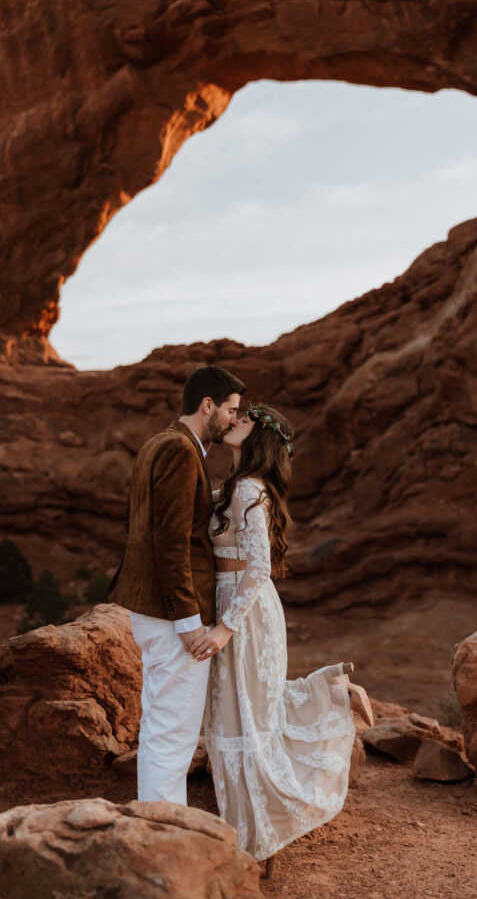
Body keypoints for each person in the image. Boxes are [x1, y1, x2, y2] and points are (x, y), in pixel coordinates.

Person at [190, 403, 372, 871]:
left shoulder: (250, 488)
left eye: (243, 421)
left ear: (258, 440)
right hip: (234, 602)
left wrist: (226, 627)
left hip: (246, 612)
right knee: (240, 718)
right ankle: (255, 835)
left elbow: (257, 567)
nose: (233, 422)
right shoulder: (234, 485)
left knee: (246, 721)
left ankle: (256, 839)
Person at [109, 365, 245, 805]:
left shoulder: (157, 444)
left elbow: (140, 527)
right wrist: (189, 621)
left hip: (152, 610)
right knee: (174, 736)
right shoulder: (182, 452)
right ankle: (164, 839)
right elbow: (172, 544)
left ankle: (156, 826)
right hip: (173, 619)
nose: (231, 420)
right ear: (208, 405)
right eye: (230, 410)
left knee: (161, 729)